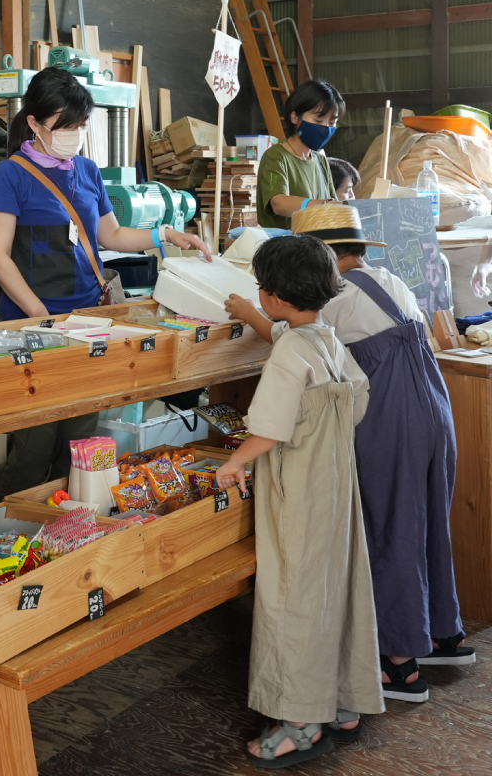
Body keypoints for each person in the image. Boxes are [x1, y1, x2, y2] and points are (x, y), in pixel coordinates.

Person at [228, 203, 474, 706]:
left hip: (391, 417)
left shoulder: (334, 297)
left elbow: (294, 338)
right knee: (424, 521)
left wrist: (250, 313)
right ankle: (443, 635)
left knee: (386, 528)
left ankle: (398, 664)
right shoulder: (389, 279)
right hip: (433, 407)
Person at [0, 67, 210, 497]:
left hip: (88, 324)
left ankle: (71, 531)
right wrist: (39, 315)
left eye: (81, 125)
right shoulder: (10, 175)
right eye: (64, 126)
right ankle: (12, 532)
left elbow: (111, 236)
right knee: (33, 447)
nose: (74, 134)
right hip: (36, 330)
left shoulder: (86, 170)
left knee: (80, 447)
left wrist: (164, 234)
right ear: (34, 123)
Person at [216, 234, 384, 769]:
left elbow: (268, 427)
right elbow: (357, 398)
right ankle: (345, 702)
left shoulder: (289, 350)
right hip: (336, 483)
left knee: (293, 598)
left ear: (274, 296)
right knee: (337, 586)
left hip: (298, 489)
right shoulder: (326, 338)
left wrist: (234, 461)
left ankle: (300, 722)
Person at [257, 80, 343, 230]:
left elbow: (332, 206)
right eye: (318, 120)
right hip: (285, 248)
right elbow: (279, 203)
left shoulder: (320, 160)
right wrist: (322, 205)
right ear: (295, 117)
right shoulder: (276, 157)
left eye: (332, 122)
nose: (325, 128)